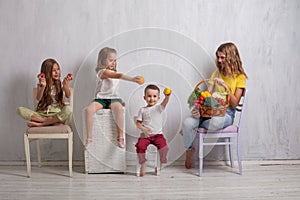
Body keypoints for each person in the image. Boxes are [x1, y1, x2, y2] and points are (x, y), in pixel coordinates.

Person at [183, 42, 248, 169]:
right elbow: (207, 95)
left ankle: (197, 126)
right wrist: (199, 109)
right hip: (209, 112)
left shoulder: (240, 77)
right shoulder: (216, 73)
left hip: (226, 114)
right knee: (187, 123)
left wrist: (225, 87)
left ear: (231, 57)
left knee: (215, 123)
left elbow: (234, 104)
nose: (219, 60)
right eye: (218, 57)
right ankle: (189, 150)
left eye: (223, 57)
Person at [84, 47, 143, 148]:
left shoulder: (114, 72)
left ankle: (120, 137)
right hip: (101, 99)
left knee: (119, 108)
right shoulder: (102, 72)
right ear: (103, 61)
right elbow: (118, 75)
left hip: (113, 98)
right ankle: (89, 138)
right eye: (110, 60)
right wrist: (132, 79)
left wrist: (120, 100)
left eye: (115, 60)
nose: (113, 63)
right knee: (88, 110)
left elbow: (114, 90)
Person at [17, 58, 72, 127]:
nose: (57, 72)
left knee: (69, 109)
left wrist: (65, 85)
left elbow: (68, 95)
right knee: (20, 110)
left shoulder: (60, 84)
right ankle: (49, 122)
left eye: (58, 69)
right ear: (47, 72)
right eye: (53, 70)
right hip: (42, 113)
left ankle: (42, 124)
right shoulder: (42, 84)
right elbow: (38, 98)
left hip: (56, 114)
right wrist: (43, 86)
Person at [135, 84, 171, 176]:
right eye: (149, 96)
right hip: (145, 136)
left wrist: (167, 97)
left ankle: (159, 165)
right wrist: (143, 129)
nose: (152, 99)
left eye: (154, 96)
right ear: (144, 97)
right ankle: (143, 163)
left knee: (164, 148)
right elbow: (138, 123)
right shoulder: (142, 110)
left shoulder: (158, 108)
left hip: (158, 135)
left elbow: (165, 102)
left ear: (158, 98)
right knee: (140, 146)